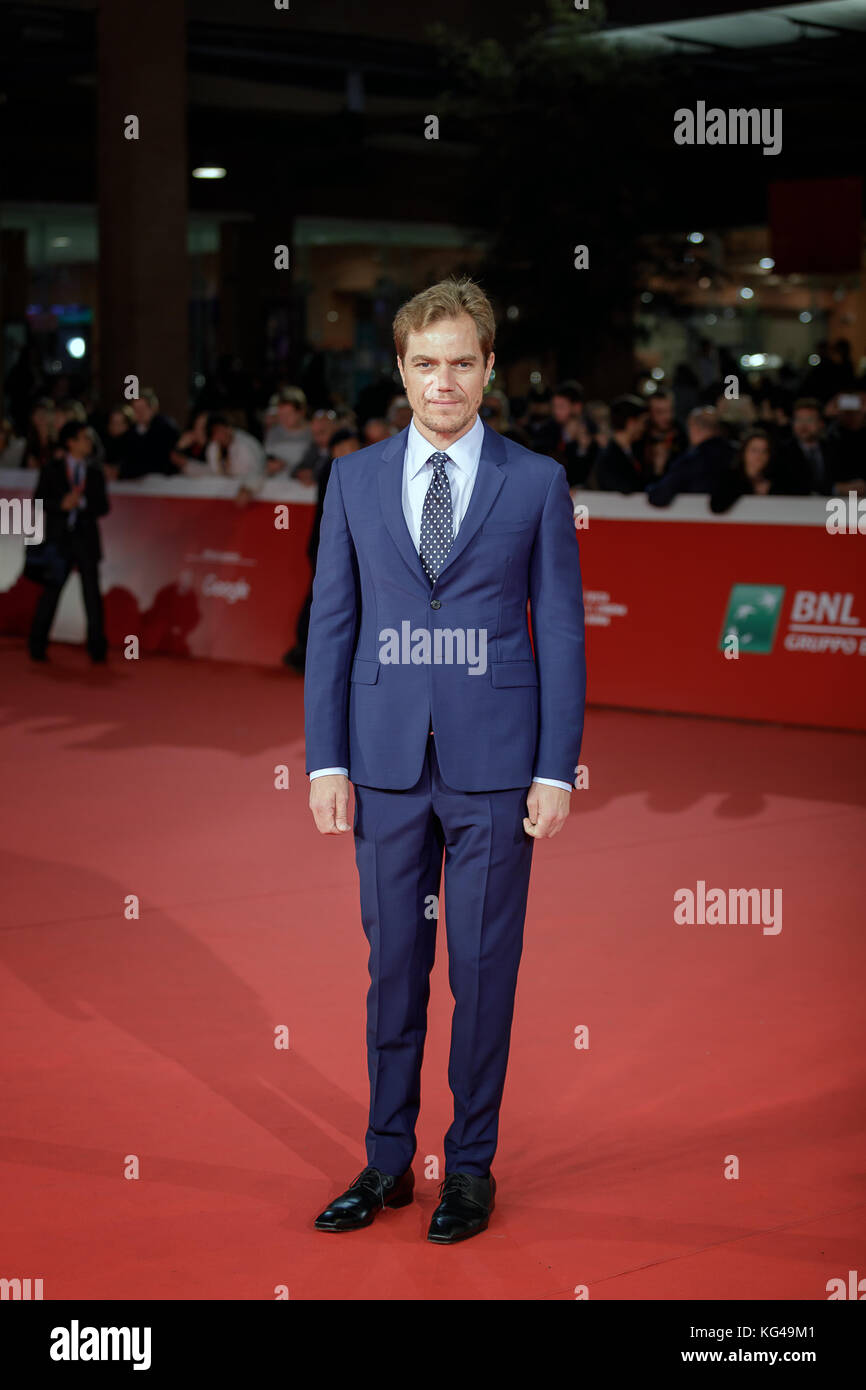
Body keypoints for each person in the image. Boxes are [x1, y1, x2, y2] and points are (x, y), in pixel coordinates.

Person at [305, 277, 585, 1243]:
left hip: (498, 768)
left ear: (490, 369)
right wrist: (323, 760)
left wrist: (557, 770)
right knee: (393, 972)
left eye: (462, 361)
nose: (444, 380)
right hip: (381, 763)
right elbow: (332, 626)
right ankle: (386, 1160)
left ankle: (469, 1166)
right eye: (426, 362)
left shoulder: (538, 483)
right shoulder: (352, 478)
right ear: (400, 370)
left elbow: (560, 630)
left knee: (485, 971)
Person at [28, 420, 109, 663]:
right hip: (59, 541)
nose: (88, 442)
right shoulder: (52, 469)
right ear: (70, 442)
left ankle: (97, 649)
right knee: (51, 594)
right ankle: (37, 646)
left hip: (86, 539)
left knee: (92, 596)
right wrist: (61, 505)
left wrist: (82, 504)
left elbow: (103, 506)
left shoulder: (94, 472)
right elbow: (39, 500)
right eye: (84, 437)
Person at [647, 405, 733, 506]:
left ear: (694, 428)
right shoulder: (735, 454)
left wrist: (653, 482)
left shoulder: (692, 461)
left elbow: (659, 496)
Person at [710, 429, 774, 512]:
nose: (759, 456)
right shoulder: (730, 478)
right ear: (744, 453)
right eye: (754, 450)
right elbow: (717, 506)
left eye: (764, 451)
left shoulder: (774, 480)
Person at [596, 395, 649, 492]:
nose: (643, 428)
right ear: (631, 423)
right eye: (642, 422)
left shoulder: (637, 450)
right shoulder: (608, 457)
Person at [124, 390, 180, 478]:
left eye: (142, 409)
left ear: (153, 408)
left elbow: (160, 458)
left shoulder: (165, 428)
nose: (139, 413)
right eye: (135, 409)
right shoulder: (131, 431)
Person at [264, 386, 311, 475]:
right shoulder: (273, 432)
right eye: (281, 415)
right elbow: (267, 458)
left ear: (301, 412)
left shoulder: (314, 433)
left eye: (288, 415)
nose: (283, 419)